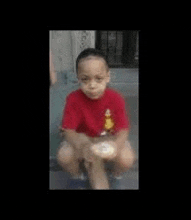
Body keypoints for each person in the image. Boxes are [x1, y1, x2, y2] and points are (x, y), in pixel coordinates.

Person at [56, 48, 136, 189]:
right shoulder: (73, 99)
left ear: (107, 76)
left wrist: (116, 146)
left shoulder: (116, 98)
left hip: (107, 139)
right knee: (64, 156)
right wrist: (82, 146)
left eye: (98, 79)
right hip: (82, 139)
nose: (92, 85)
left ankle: (115, 175)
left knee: (127, 158)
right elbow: (69, 131)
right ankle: (78, 177)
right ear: (78, 77)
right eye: (85, 79)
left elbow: (123, 129)